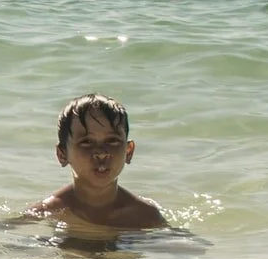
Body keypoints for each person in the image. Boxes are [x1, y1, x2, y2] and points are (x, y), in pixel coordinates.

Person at [29, 93, 170, 237]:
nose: (101, 153)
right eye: (87, 142)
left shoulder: (144, 214)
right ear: (62, 154)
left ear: (128, 151)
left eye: (112, 141)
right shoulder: (49, 210)